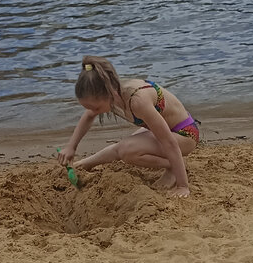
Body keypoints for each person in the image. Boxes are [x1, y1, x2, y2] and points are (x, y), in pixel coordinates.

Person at [57, 55, 199, 197]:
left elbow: (169, 142)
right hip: (168, 131)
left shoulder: (137, 100)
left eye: (95, 107)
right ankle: (84, 164)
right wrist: (71, 147)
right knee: (123, 147)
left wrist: (183, 186)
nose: (93, 111)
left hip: (185, 134)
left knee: (127, 150)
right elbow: (88, 116)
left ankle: (173, 167)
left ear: (109, 93)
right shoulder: (113, 94)